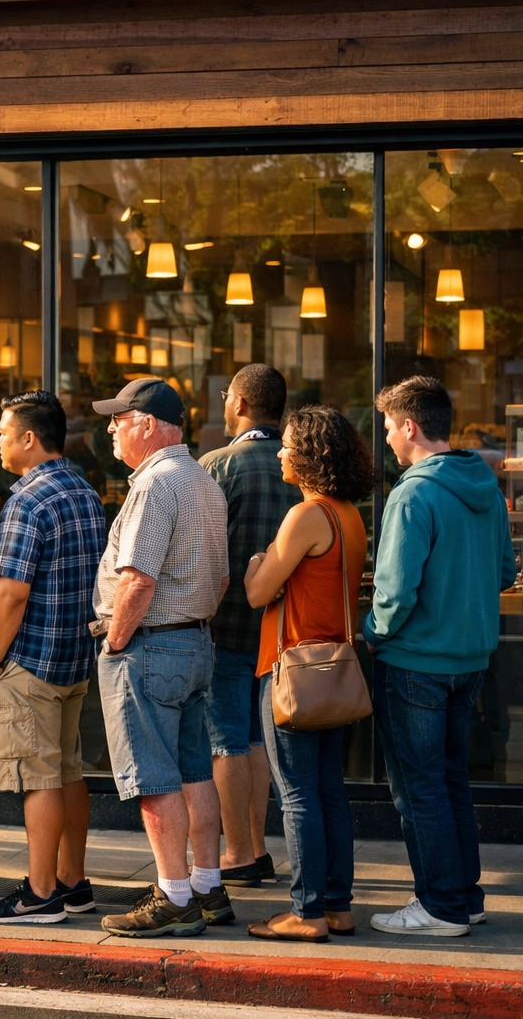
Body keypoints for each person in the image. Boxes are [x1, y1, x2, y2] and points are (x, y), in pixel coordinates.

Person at [364, 376, 514, 937]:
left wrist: (373, 633)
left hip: (416, 662)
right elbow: (504, 573)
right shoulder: (484, 484)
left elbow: (395, 591)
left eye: (387, 427)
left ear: (410, 426)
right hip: (471, 659)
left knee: (420, 789)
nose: (385, 439)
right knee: (451, 782)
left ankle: (441, 907)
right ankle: (463, 897)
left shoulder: (413, 492)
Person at [89, 378, 231, 937]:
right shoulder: (203, 480)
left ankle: (173, 896)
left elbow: (139, 578)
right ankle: (206, 885)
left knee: (152, 778)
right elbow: (220, 578)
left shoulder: (155, 485)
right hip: (194, 640)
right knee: (196, 770)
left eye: (119, 420)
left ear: (147, 425)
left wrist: (116, 638)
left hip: (150, 643)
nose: (111, 430)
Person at [0, 391, 107, 924]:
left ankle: (40, 892)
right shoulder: (83, 490)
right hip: (74, 656)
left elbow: (11, 592)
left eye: (5, 433)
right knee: (68, 770)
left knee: (38, 777)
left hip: (29, 658)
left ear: (30, 438)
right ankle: (74, 882)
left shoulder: (27, 500)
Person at [242, 406, 373, 942]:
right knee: (329, 792)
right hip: (333, 668)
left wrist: (257, 563)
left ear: (311, 454)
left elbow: (256, 591)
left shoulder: (305, 516)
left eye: (288, 444)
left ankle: (307, 911)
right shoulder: (349, 514)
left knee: (296, 794)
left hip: (292, 668)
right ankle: (337, 906)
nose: (279, 452)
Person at [198, 365, 300, 888]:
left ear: (237, 401)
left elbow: (202, 554)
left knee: (226, 742)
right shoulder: (299, 466)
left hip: (225, 625)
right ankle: (257, 847)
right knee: (258, 740)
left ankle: (237, 852)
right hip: (282, 628)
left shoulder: (217, 465)